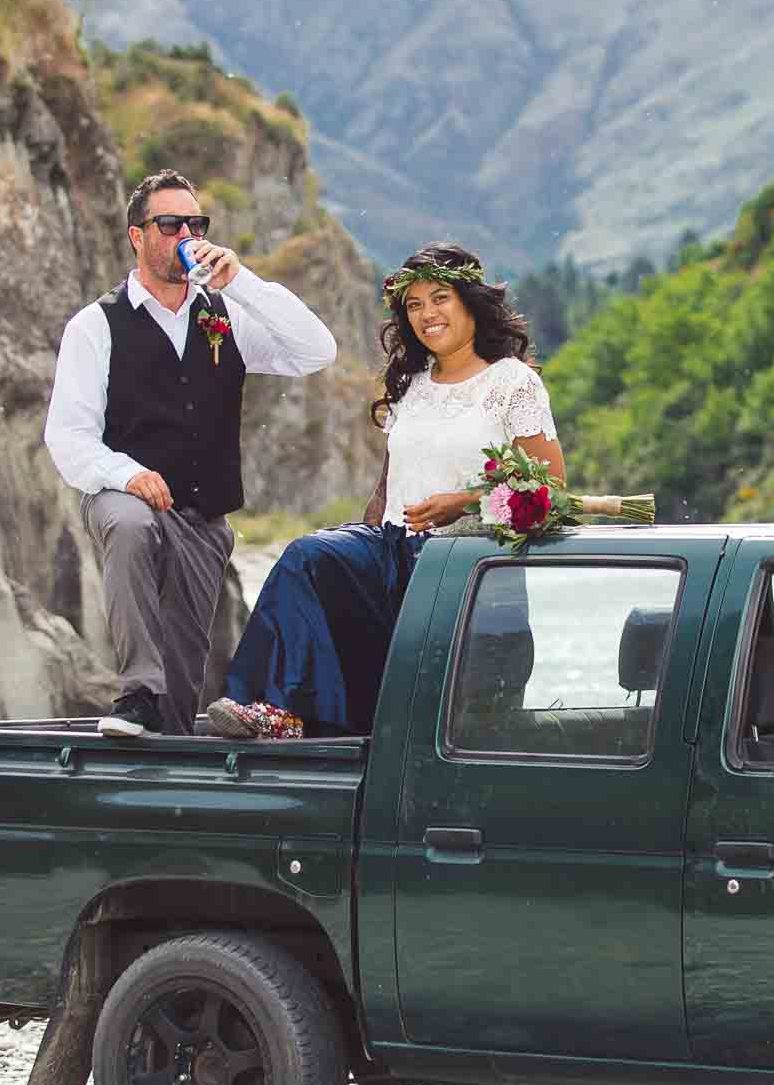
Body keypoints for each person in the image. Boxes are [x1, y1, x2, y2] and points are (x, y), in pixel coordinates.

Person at [204, 242, 561, 739]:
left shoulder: (512, 383)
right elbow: (386, 486)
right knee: (311, 556)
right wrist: (359, 553)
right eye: (414, 305)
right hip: (392, 551)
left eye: (440, 299)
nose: (426, 314)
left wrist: (462, 502)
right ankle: (275, 708)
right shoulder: (411, 383)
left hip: (467, 567)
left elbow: (549, 486)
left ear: (470, 302)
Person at [45, 170, 337, 737]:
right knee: (130, 526)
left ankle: (160, 751)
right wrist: (126, 474)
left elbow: (317, 351)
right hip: (123, 498)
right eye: (170, 223)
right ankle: (135, 691)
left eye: (196, 223)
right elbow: (68, 436)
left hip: (204, 517)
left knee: (182, 684)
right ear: (138, 236)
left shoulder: (225, 314)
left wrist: (242, 281)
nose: (187, 232)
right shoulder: (95, 326)